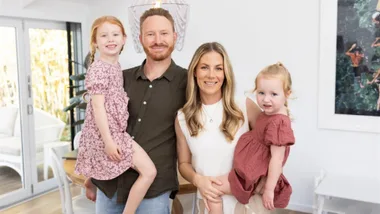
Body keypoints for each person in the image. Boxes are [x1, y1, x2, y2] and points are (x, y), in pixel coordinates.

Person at [90, 8, 188, 214]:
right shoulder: (120, 77)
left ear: (174, 37)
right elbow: (99, 124)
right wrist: (92, 174)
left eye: (164, 33)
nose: (157, 40)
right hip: (110, 184)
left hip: (154, 189)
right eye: (150, 34)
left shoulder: (188, 82)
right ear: (140, 38)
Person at [176, 42, 271, 214]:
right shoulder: (183, 117)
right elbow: (183, 163)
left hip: (245, 204)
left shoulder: (244, 106)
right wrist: (198, 180)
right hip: (207, 202)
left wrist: (267, 178)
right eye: (204, 67)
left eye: (218, 68)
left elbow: (274, 142)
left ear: (225, 73)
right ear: (195, 72)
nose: (211, 75)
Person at [74, 16, 157, 214]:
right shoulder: (99, 69)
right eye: (103, 35)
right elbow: (98, 108)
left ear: (124, 39)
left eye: (115, 34)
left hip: (113, 131)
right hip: (110, 134)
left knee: (119, 166)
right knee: (149, 171)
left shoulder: (114, 66)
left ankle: (91, 180)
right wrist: (109, 141)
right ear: (95, 42)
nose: (110, 39)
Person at [225, 62, 295, 212]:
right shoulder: (269, 113)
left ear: (287, 94)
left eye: (273, 94)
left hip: (258, 173)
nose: (266, 99)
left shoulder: (279, 123)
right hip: (250, 165)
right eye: (261, 93)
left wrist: (269, 190)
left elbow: (277, 159)